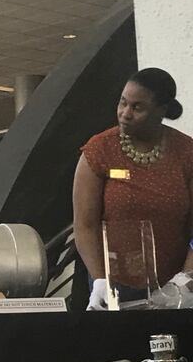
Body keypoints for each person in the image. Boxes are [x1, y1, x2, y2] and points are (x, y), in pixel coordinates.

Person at [73, 67, 193, 310]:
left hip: (174, 288)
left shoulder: (186, 152)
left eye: (138, 107)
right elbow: (85, 225)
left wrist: (186, 280)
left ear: (162, 110)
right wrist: (99, 280)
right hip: (113, 285)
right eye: (123, 103)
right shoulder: (100, 149)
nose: (125, 113)